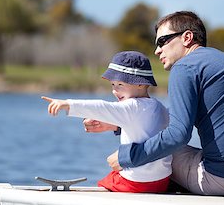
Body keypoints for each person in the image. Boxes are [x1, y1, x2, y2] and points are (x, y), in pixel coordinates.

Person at [85, 11, 224, 197]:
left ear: (187, 37)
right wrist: (119, 125)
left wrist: (127, 156)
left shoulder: (184, 67)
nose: (157, 50)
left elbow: (178, 135)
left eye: (162, 41)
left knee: (160, 149)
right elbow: (175, 117)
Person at [41, 51, 172, 193]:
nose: (115, 91)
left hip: (137, 182)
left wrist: (68, 104)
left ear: (140, 84)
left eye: (120, 84)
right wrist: (115, 126)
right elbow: (145, 127)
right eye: (113, 84)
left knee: (104, 183)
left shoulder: (131, 105)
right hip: (162, 180)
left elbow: (103, 107)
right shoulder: (158, 106)